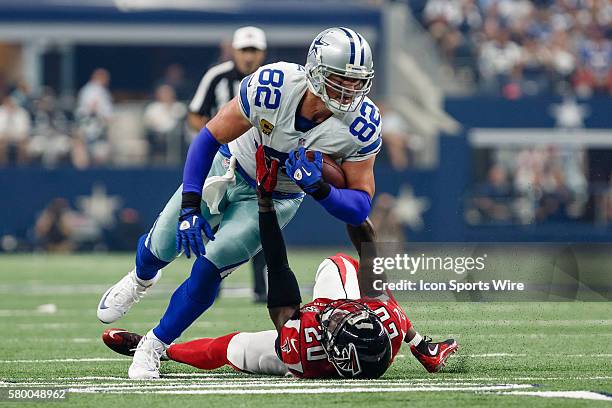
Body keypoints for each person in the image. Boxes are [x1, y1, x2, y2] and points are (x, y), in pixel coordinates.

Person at [97, 27, 384, 380]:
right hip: (228, 168)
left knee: (208, 271)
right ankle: (140, 280)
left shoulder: (361, 124)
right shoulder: (274, 85)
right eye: (341, 78)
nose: (349, 90)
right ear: (316, 70)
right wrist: (189, 206)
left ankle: (153, 345)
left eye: (357, 82)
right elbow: (208, 137)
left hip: (275, 199)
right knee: (160, 246)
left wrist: (321, 189)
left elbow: (359, 208)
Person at [102, 147, 458, 378]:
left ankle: (156, 347)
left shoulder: (303, 350)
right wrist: (336, 196)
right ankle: (422, 345)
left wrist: (264, 203)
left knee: (229, 348)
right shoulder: (385, 321)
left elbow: (278, 263)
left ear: (329, 347)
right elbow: (366, 240)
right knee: (340, 265)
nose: (331, 312)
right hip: (234, 164)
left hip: (306, 355)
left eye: (332, 323)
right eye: (344, 313)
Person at [188, 26, 269, 302]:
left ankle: (261, 288)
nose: (249, 56)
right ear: (234, 51)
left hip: (258, 163)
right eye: (244, 50)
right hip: (222, 162)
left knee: (259, 222)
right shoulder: (218, 76)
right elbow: (196, 114)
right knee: (215, 219)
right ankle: (211, 285)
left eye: (254, 50)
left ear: (262, 53)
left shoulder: (272, 80)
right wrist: (216, 141)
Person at [0, 94, 31, 166]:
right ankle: (3, 169)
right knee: (1, 144)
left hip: (18, 138)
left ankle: (21, 168)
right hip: (3, 137)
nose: (10, 104)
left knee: (24, 145)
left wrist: (16, 136)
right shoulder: (1, 112)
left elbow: (25, 131)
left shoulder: (23, 113)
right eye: (8, 102)